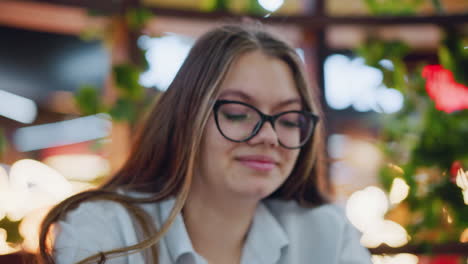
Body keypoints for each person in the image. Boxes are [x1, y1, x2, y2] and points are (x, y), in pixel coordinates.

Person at [38, 23, 372, 264]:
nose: (270, 136)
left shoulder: (327, 233)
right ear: (186, 118)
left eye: (288, 120)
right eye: (239, 113)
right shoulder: (105, 229)